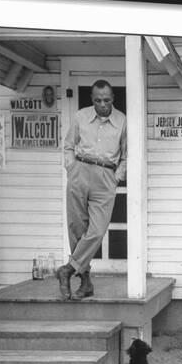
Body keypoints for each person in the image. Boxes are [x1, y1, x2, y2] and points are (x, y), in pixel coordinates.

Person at [56, 79, 127, 300]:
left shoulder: (122, 121)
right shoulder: (80, 117)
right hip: (80, 171)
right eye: (98, 100)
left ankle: (68, 269)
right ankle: (85, 283)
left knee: (96, 230)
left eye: (106, 100)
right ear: (92, 99)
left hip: (106, 175)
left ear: (113, 99)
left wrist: (116, 177)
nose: (102, 104)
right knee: (77, 228)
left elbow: (126, 155)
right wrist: (71, 166)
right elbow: (68, 144)